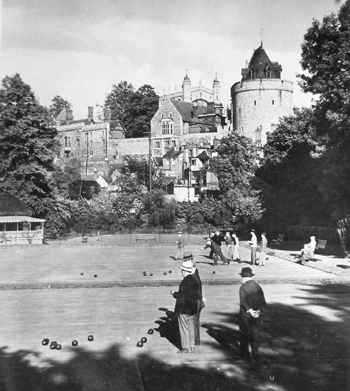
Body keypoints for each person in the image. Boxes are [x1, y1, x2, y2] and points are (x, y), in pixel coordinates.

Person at [171, 259, 200, 353]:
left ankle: (185, 347)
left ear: (184, 271)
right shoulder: (195, 279)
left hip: (184, 308)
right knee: (191, 327)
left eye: (182, 271)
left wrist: (174, 294)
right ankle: (192, 346)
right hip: (193, 307)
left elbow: (182, 295)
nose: (181, 272)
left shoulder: (185, 282)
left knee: (183, 328)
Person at [238, 267, 266, 362]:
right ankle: (256, 354)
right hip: (257, 314)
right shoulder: (257, 286)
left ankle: (244, 356)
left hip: (245, 315)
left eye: (242, 277)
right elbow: (263, 301)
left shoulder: (243, 287)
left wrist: (250, 311)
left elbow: (243, 301)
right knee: (255, 335)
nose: (241, 279)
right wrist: (258, 311)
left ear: (244, 277)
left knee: (244, 335)